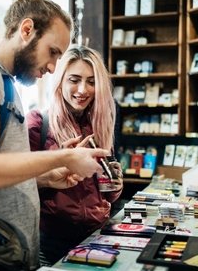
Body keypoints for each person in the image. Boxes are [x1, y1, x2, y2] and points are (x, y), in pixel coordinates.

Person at [0, 0, 109, 270]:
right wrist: (62, 157)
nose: (54, 67)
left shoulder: (3, 81)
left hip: (6, 251)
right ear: (27, 29)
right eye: (52, 52)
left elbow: (0, 174)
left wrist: (46, 177)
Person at [26, 44, 124, 265]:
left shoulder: (100, 125)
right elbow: (18, 185)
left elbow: (106, 194)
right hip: (50, 241)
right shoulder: (38, 123)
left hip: (95, 237)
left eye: (91, 81)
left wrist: (115, 186)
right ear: (60, 80)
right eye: (74, 79)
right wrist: (55, 168)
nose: (83, 90)